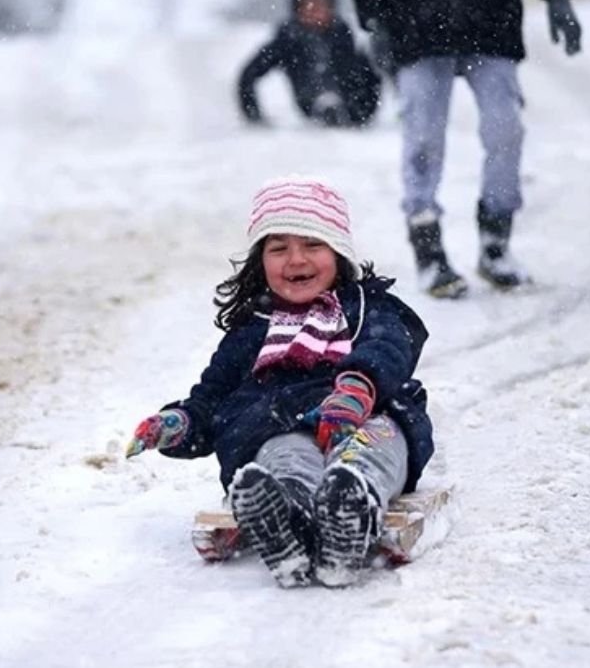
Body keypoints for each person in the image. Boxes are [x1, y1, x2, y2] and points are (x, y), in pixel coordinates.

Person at [124, 178, 434, 588]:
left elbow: (388, 346)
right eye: (278, 248)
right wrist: (178, 423)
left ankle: (350, 508)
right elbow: (212, 399)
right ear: (260, 261)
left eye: (312, 245)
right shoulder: (251, 330)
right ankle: (286, 518)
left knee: (370, 449)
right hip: (280, 424)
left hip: (363, 416)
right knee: (284, 456)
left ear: (339, 253)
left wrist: (358, 386)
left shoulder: (366, 308)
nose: (295, 259)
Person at [350, 0, 583, 298]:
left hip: (491, 14)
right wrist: (374, 19)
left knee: (506, 130)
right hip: (416, 21)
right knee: (423, 137)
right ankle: (428, 247)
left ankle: (496, 241)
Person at [236, 0, 382, 128]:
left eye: (321, 3)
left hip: (352, 110)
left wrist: (363, 113)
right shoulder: (288, 40)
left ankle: (335, 106)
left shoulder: (343, 35)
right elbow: (249, 75)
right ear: (297, 8)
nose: (315, 10)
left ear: (331, 5)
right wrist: (254, 116)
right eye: (308, 4)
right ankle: (325, 105)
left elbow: (371, 77)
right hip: (310, 104)